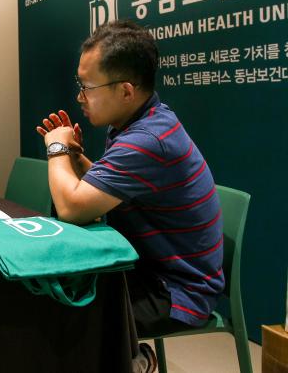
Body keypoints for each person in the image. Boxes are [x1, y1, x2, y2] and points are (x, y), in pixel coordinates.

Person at [36, 21, 223, 372]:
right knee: (51, 294)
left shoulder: (148, 139)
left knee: (63, 316)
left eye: (87, 87)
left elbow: (72, 208)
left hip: (175, 292)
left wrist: (58, 147)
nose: (79, 97)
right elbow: (113, 193)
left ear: (125, 91)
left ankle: (135, 362)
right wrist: (77, 158)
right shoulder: (134, 123)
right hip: (145, 269)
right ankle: (131, 357)